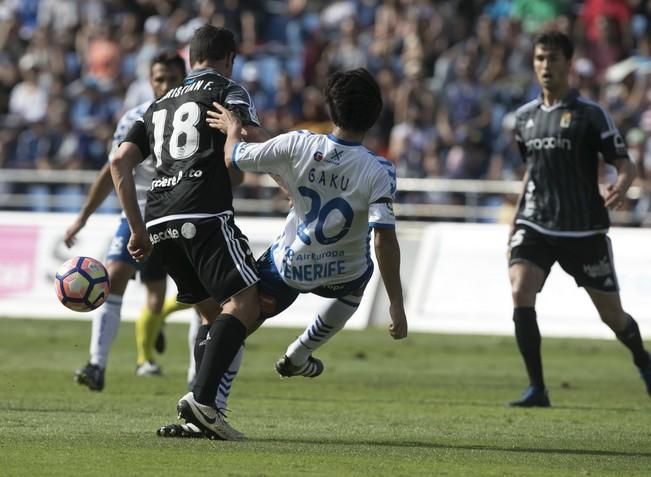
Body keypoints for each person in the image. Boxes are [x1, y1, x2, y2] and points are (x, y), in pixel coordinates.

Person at [157, 67, 409, 439]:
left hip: (290, 266)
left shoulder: (298, 143)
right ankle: (300, 354)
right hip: (343, 270)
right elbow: (384, 239)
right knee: (360, 279)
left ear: (331, 108)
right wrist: (396, 305)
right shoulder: (379, 170)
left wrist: (231, 131)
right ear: (376, 115)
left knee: (231, 325)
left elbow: (236, 158)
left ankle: (206, 403)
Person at [111, 25, 267, 440]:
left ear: (191, 57)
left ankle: (199, 417)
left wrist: (137, 228)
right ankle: (201, 399)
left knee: (211, 316)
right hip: (203, 212)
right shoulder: (228, 90)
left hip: (159, 220)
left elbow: (119, 162)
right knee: (246, 303)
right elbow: (248, 139)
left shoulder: (157, 105)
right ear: (229, 58)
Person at [507, 30, 651, 407]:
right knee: (521, 287)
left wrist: (622, 184)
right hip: (536, 223)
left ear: (568, 64)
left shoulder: (591, 114)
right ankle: (537, 388)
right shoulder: (523, 119)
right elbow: (531, 171)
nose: (545, 66)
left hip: (584, 229)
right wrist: (516, 219)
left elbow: (625, 162)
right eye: (540, 59)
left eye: (553, 59)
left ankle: (643, 360)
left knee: (613, 317)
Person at [68, 50, 188, 391]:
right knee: (114, 275)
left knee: (190, 296)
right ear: (150, 82)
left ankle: (197, 379)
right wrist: (82, 219)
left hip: (182, 213)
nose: (164, 86)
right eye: (158, 79)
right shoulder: (134, 118)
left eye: (171, 79)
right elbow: (112, 171)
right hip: (138, 213)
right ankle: (96, 365)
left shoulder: (196, 117)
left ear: (185, 80)